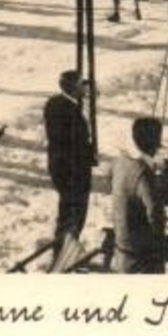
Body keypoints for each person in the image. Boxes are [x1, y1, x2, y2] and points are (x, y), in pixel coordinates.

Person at [43, 70, 94, 265]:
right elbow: (72, 143)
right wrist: (88, 153)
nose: (85, 88)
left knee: (67, 214)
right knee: (74, 216)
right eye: (82, 84)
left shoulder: (55, 103)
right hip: (73, 172)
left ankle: (63, 252)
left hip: (61, 168)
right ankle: (63, 256)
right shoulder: (69, 110)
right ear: (74, 87)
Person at [111, 117, 167, 274]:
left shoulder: (120, 162)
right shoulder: (142, 173)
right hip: (138, 257)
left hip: (121, 244)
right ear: (156, 143)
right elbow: (155, 214)